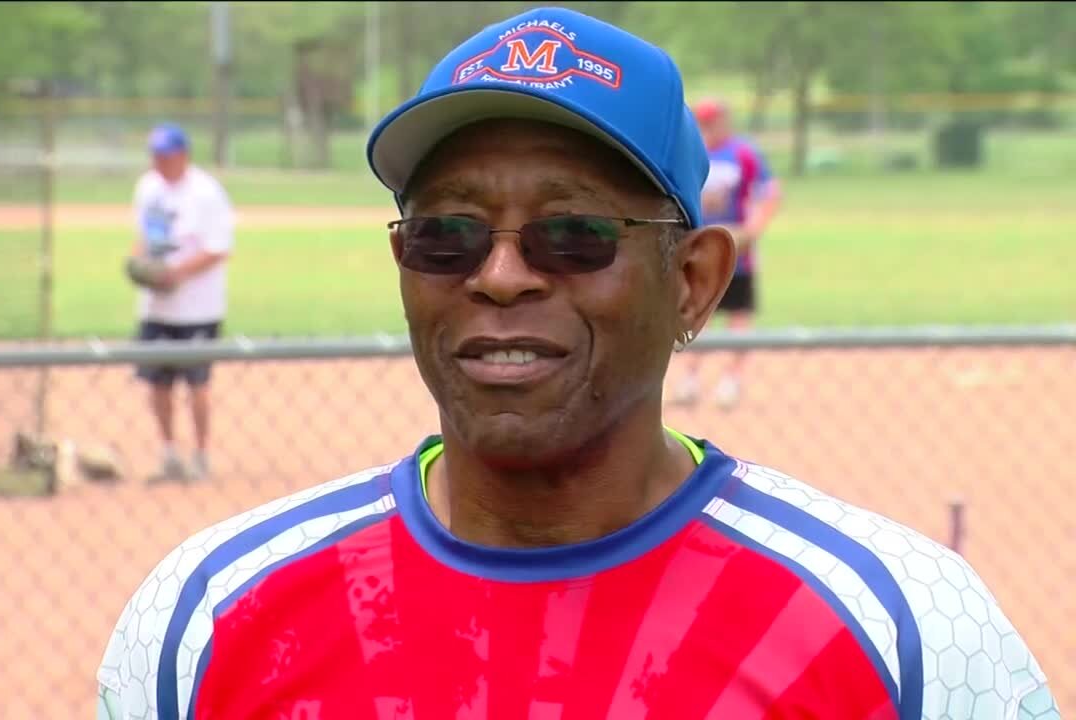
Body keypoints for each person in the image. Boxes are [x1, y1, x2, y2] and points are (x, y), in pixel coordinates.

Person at [97, 9, 1056, 719]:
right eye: (447, 234)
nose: (501, 275)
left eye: (574, 233)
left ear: (693, 281)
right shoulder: (210, 620)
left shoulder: (902, 631)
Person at [130, 122, 235, 482]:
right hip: (156, 308)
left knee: (197, 383)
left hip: (198, 308)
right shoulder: (147, 188)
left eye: (165, 155)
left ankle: (201, 455)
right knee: (157, 382)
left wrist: (176, 274)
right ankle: (169, 453)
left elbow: (217, 249)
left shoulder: (207, 192)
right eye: (155, 155)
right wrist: (140, 264)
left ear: (183, 155)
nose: (159, 162)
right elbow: (142, 237)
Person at [672, 97, 782, 410]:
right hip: (699, 249)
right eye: (703, 121)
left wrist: (752, 230)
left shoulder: (743, 153)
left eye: (713, 120)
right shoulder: (692, 152)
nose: (709, 127)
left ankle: (730, 382)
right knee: (695, 314)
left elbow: (769, 193)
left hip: (738, 251)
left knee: (738, 316)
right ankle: (690, 380)